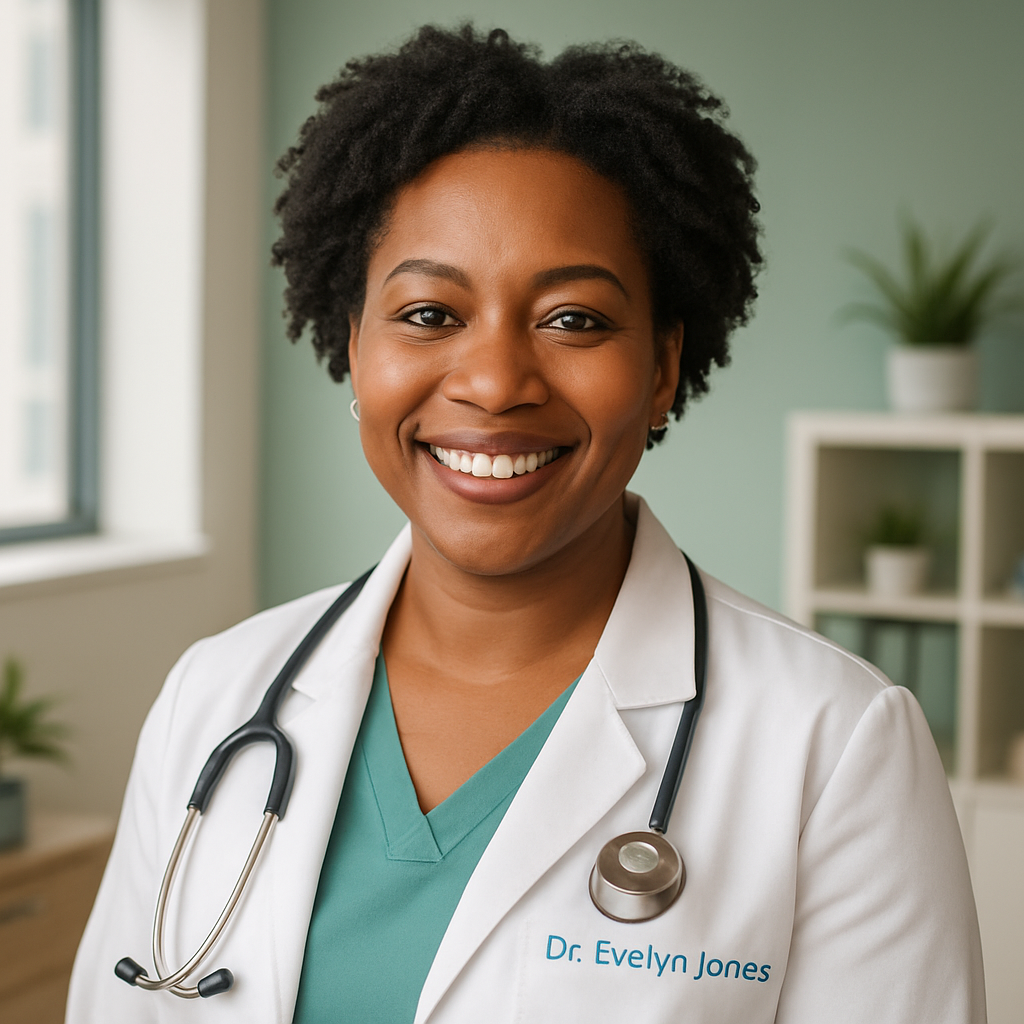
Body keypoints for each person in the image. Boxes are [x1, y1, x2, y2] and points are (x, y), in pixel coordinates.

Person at [67, 25, 984, 1024]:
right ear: (351, 344)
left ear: (664, 368)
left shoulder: (832, 745)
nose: (496, 381)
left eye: (574, 319)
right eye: (427, 314)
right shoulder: (215, 697)